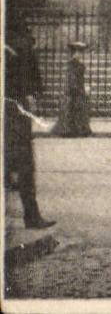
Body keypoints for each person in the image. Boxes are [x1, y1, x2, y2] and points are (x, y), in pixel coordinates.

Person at [3, 18, 56, 230]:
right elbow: (34, 82)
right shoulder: (23, 46)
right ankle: (31, 216)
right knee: (25, 165)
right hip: (17, 110)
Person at [52, 39, 92, 137]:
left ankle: (75, 130)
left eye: (81, 52)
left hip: (77, 89)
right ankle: (73, 130)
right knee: (73, 109)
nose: (80, 54)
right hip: (73, 90)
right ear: (74, 53)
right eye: (78, 52)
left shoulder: (78, 65)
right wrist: (81, 90)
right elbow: (72, 80)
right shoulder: (72, 65)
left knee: (77, 109)